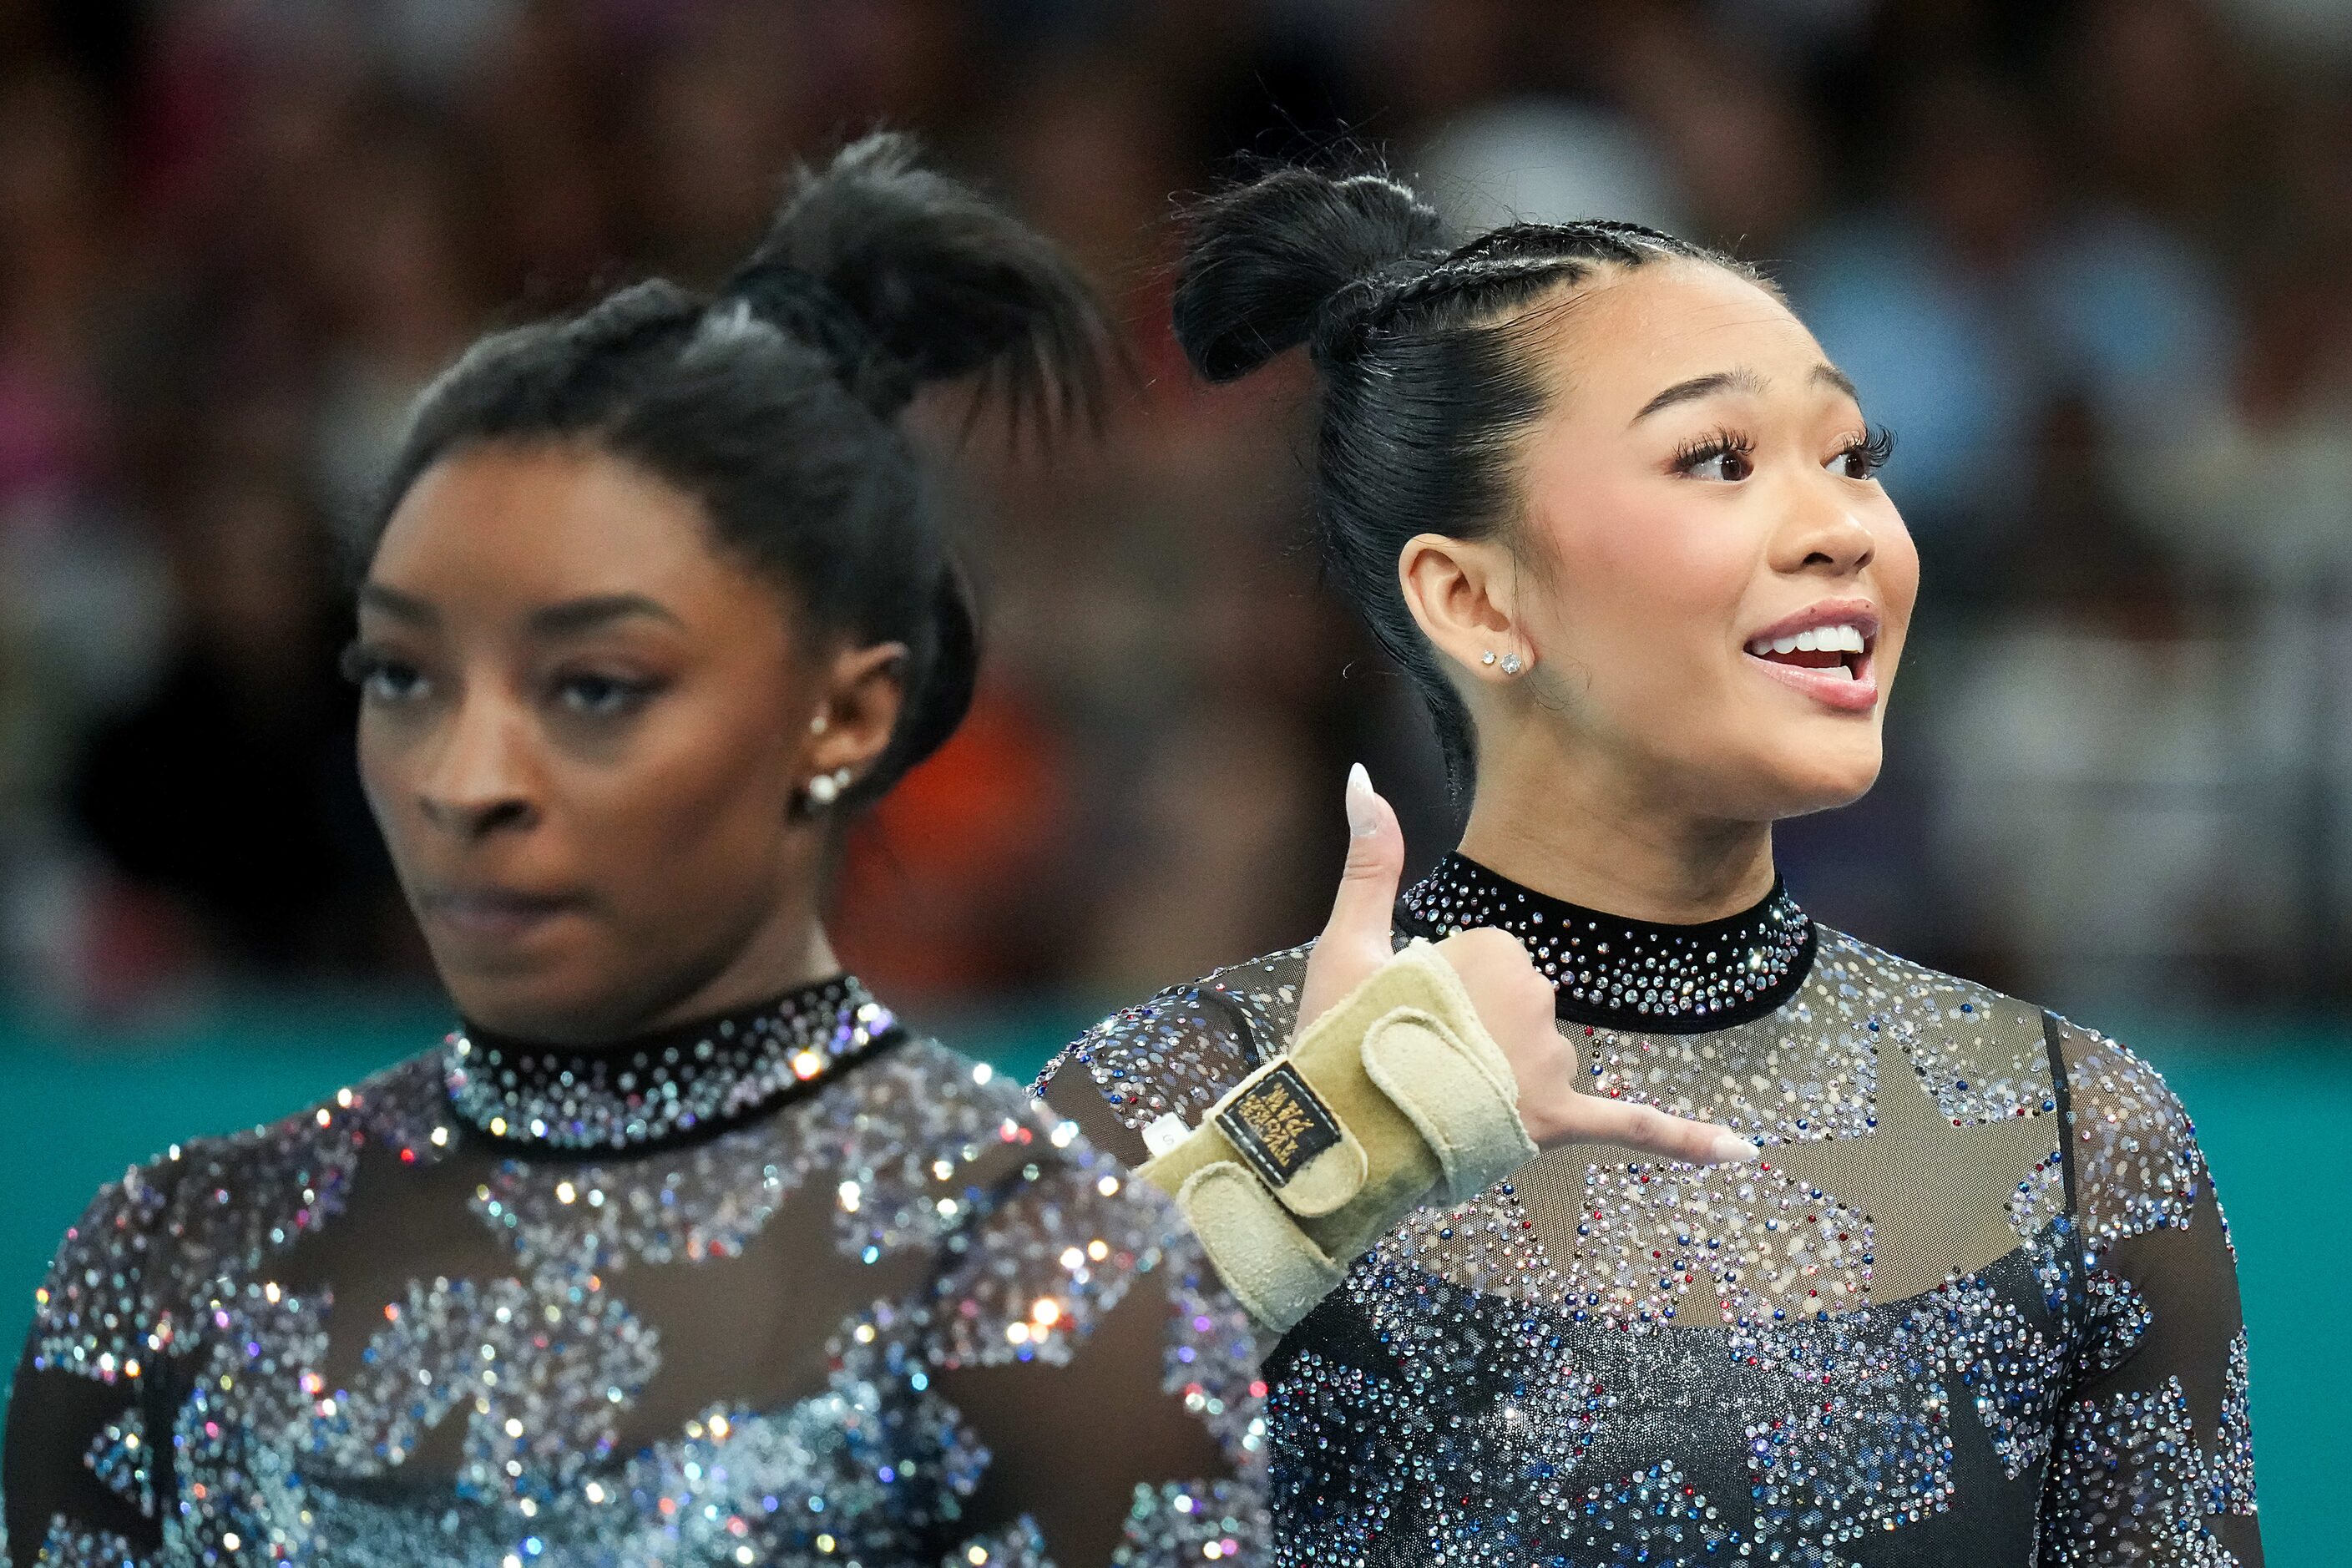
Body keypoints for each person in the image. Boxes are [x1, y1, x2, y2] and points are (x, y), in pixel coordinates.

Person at [3, 134, 1738, 1568]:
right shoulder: (167, 1252)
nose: (467, 776)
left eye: (593, 686)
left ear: (843, 714)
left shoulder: (1046, 1271)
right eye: (400, 672)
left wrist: (1288, 1179)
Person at [1038, 169, 2261, 1565]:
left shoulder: (2076, 1139)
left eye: (1854, 456)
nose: (1844, 528)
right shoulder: (1185, 1093)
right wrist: (1307, 1170)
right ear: (1473, 597)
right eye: (1718, 460)